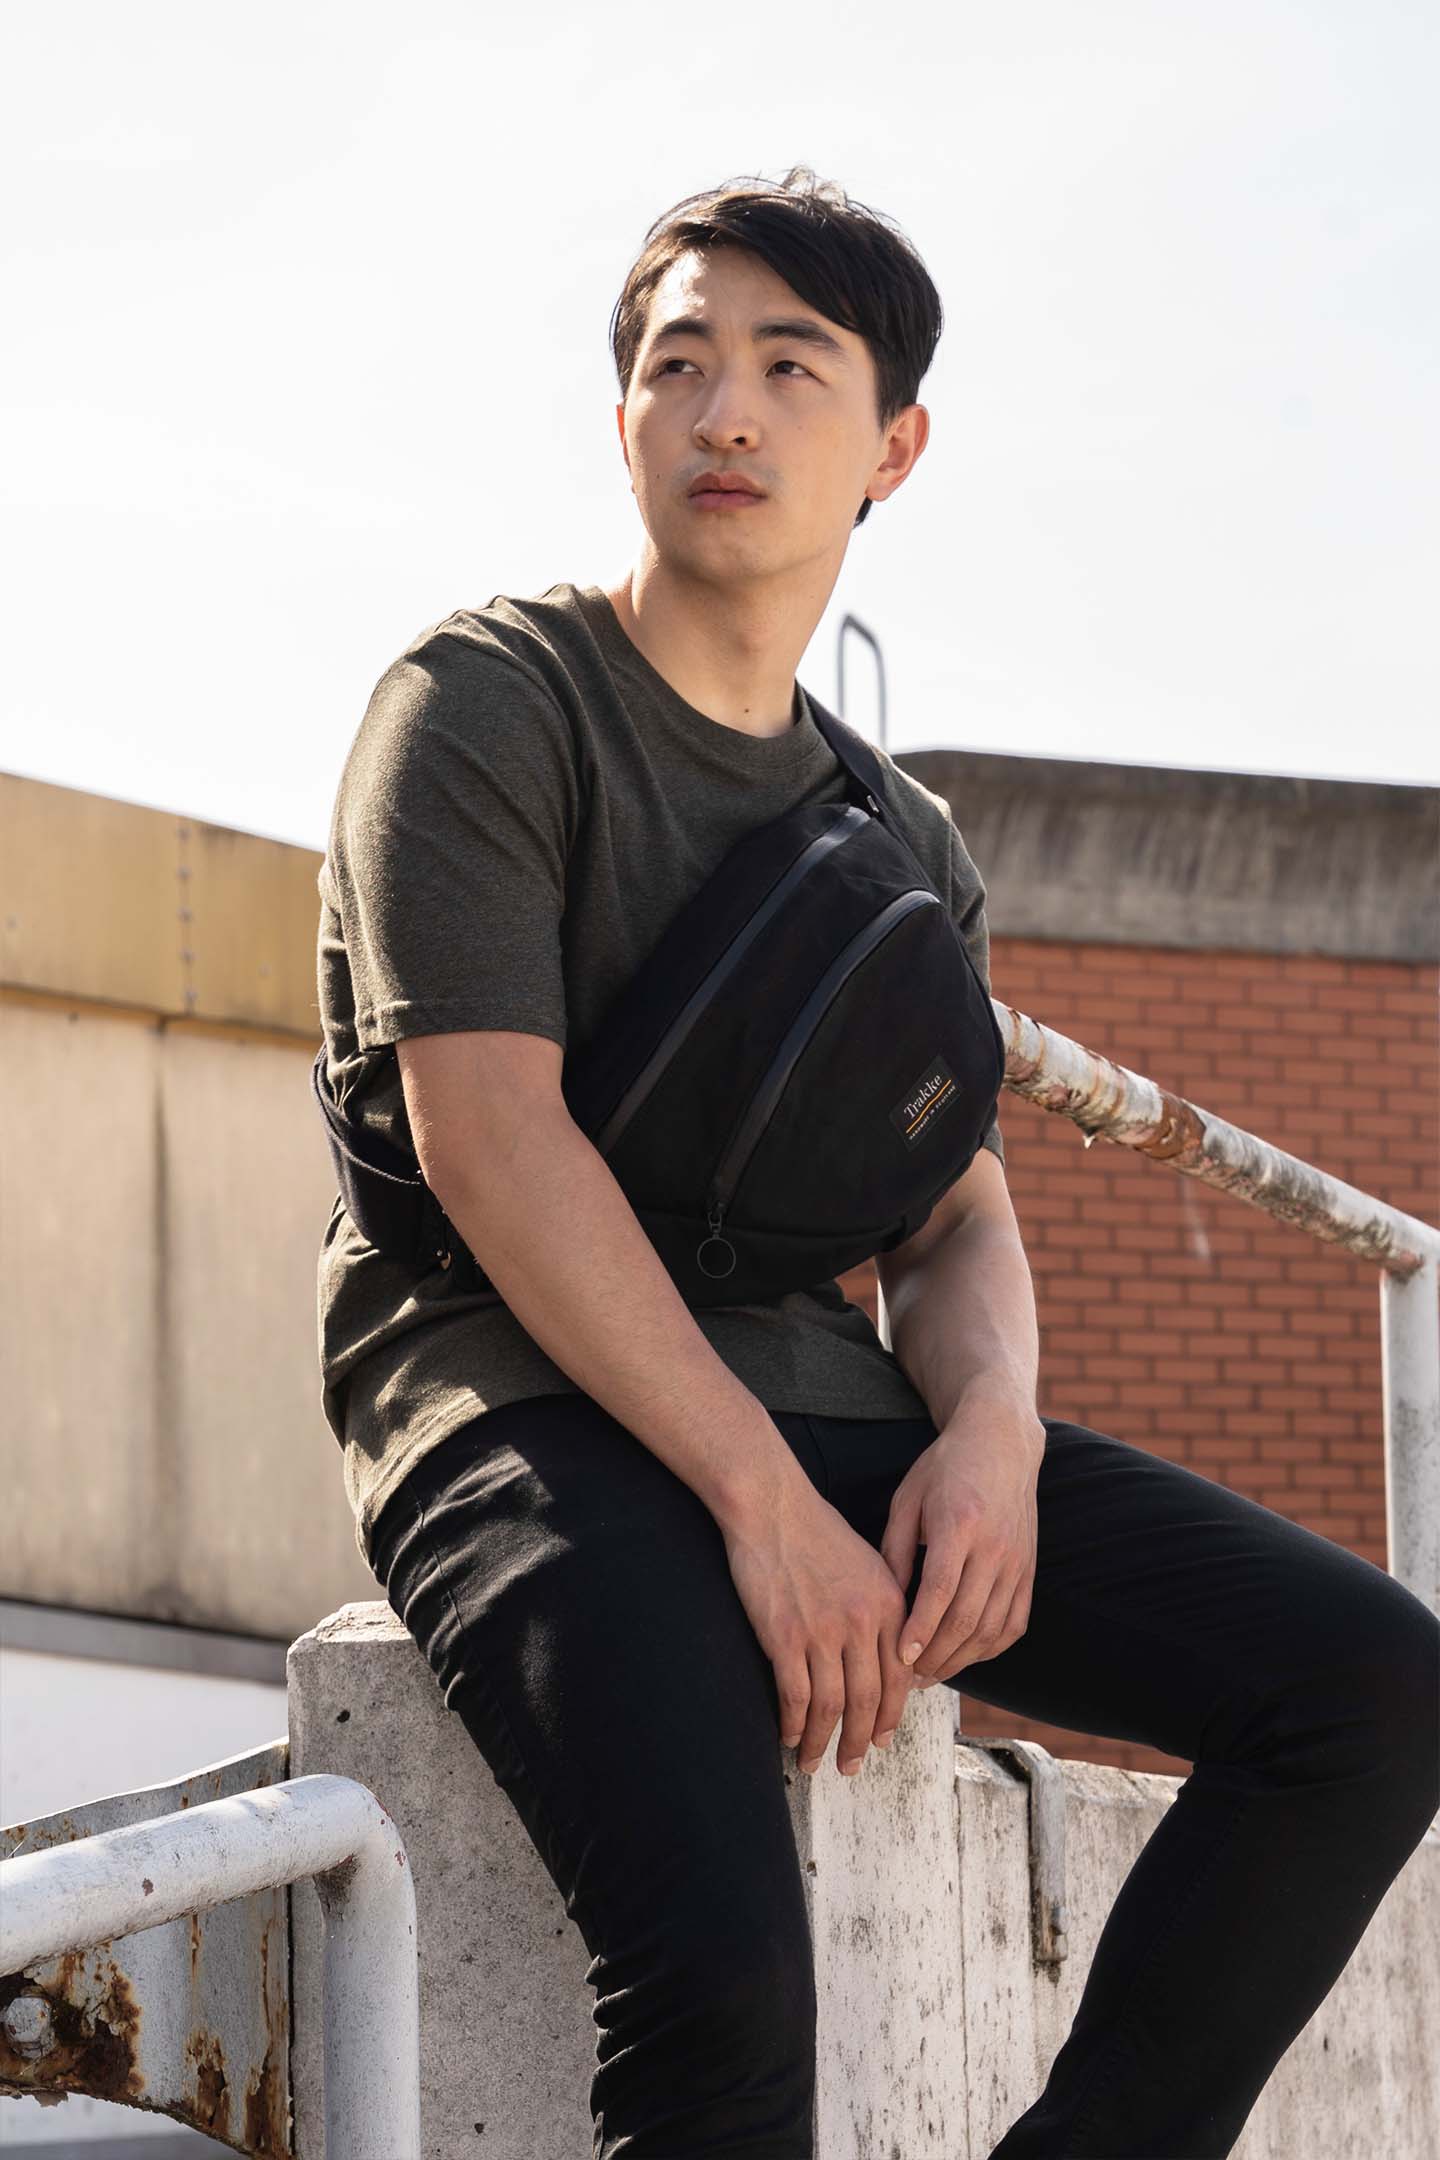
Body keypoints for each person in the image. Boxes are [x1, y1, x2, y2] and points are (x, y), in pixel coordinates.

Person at [314, 167, 1439, 2158]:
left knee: (1371, 1687)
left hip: (824, 1406)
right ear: (623, 419)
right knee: (724, 1987)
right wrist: (759, 1499)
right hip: (514, 1406)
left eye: (787, 367)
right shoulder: (483, 703)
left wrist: (993, 1431)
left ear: (892, 447)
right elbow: (490, 1140)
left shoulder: (897, 838)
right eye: (680, 365)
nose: (726, 413)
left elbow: (954, 1218)